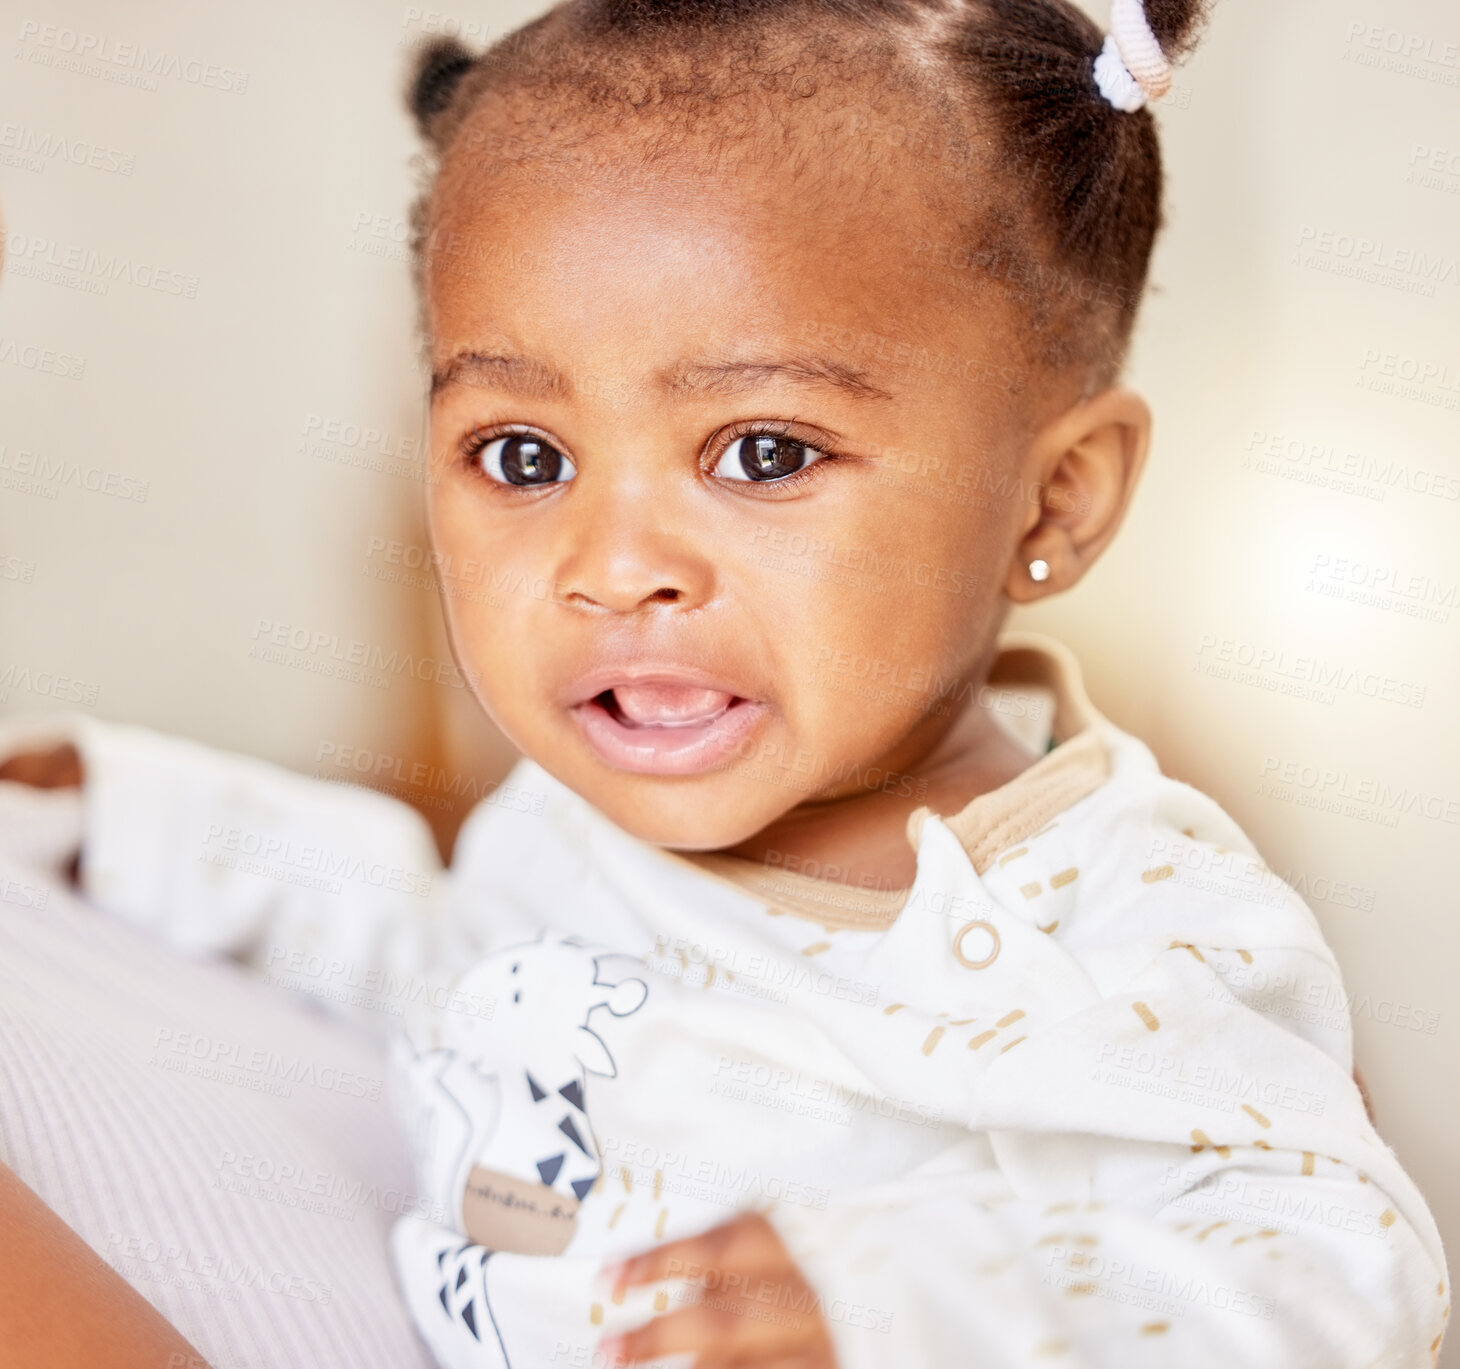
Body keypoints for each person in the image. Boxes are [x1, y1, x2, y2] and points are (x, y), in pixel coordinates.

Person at [0, 0, 1447, 1365]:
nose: (614, 564)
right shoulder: (574, 829)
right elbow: (447, 958)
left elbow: (1347, 1271)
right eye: (524, 456)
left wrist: (915, 1304)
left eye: (763, 451)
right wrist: (150, 817)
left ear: (1053, 501)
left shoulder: (1119, 919)